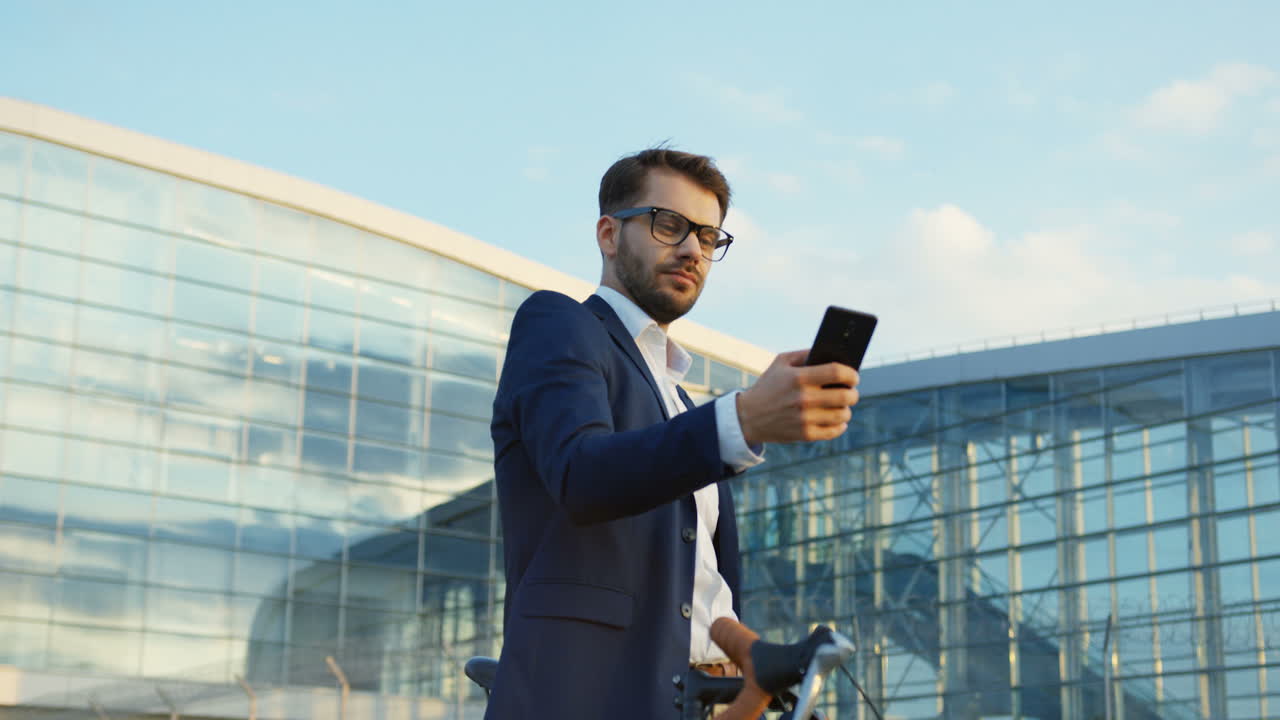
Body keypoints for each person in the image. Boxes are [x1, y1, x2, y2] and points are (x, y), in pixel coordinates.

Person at [486, 148, 860, 719]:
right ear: (609, 235)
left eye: (709, 238)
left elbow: (697, 587)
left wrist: (750, 659)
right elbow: (582, 473)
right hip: (583, 697)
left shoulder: (681, 403)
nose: (692, 249)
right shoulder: (560, 324)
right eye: (669, 225)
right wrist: (745, 419)